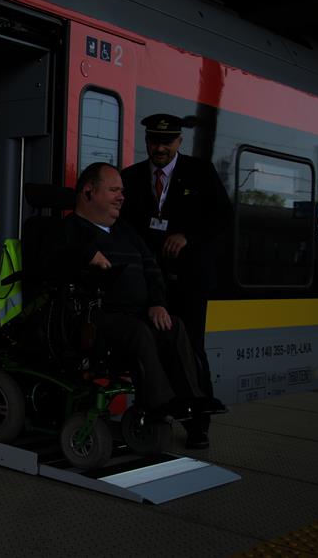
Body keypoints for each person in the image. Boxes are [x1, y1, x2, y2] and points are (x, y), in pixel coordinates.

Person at [63, 162, 226, 421]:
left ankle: (192, 399)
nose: (121, 197)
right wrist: (85, 254)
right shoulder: (67, 229)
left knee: (173, 326)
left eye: (122, 191)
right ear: (88, 192)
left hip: (135, 315)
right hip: (92, 317)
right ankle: (159, 403)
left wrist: (157, 303)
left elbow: (152, 269)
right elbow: (51, 259)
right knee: (137, 331)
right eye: (114, 190)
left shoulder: (126, 231)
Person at [120, 113, 233, 448]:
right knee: (151, 349)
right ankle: (155, 414)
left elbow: (223, 217)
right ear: (146, 142)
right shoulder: (132, 177)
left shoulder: (200, 173)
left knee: (192, 349)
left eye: (167, 142)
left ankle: (199, 425)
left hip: (191, 281)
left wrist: (188, 237)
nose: (160, 147)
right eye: (154, 140)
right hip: (151, 284)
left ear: (179, 143)